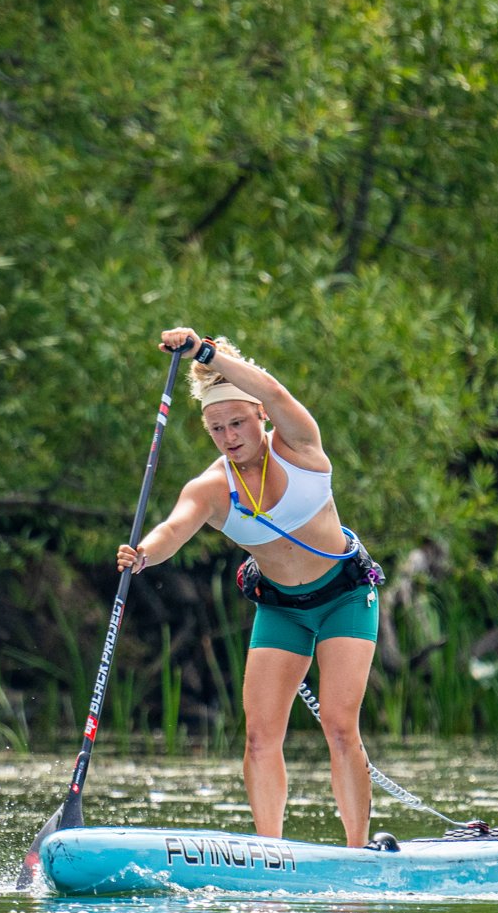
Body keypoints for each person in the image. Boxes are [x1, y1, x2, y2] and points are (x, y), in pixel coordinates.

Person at [116, 329, 383, 847]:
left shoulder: (300, 447)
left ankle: (357, 849)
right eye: (217, 429)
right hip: (281, 609)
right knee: (260, 736)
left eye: (238, 422)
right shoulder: (212, 489)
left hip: (345, 598)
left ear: (259, 416)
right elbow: (174, 527)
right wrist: (144, 552)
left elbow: (279, 393)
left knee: (337, 725)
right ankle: (271, 852)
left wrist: (206, 354)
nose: (230, 435)